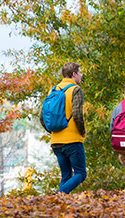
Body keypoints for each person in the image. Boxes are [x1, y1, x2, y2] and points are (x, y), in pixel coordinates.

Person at [40, 62, 87, 194]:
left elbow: (42, 117)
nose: (81, 75)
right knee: (81, 173)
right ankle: (60, 194)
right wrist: (82, 132)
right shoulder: (76, 90)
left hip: (56, 141)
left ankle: (58, 203)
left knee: (66, 175)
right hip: (72, 140)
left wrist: (53, 131)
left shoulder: (53, 90)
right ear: (74, 74)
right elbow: (77, 115)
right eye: (80, 72)